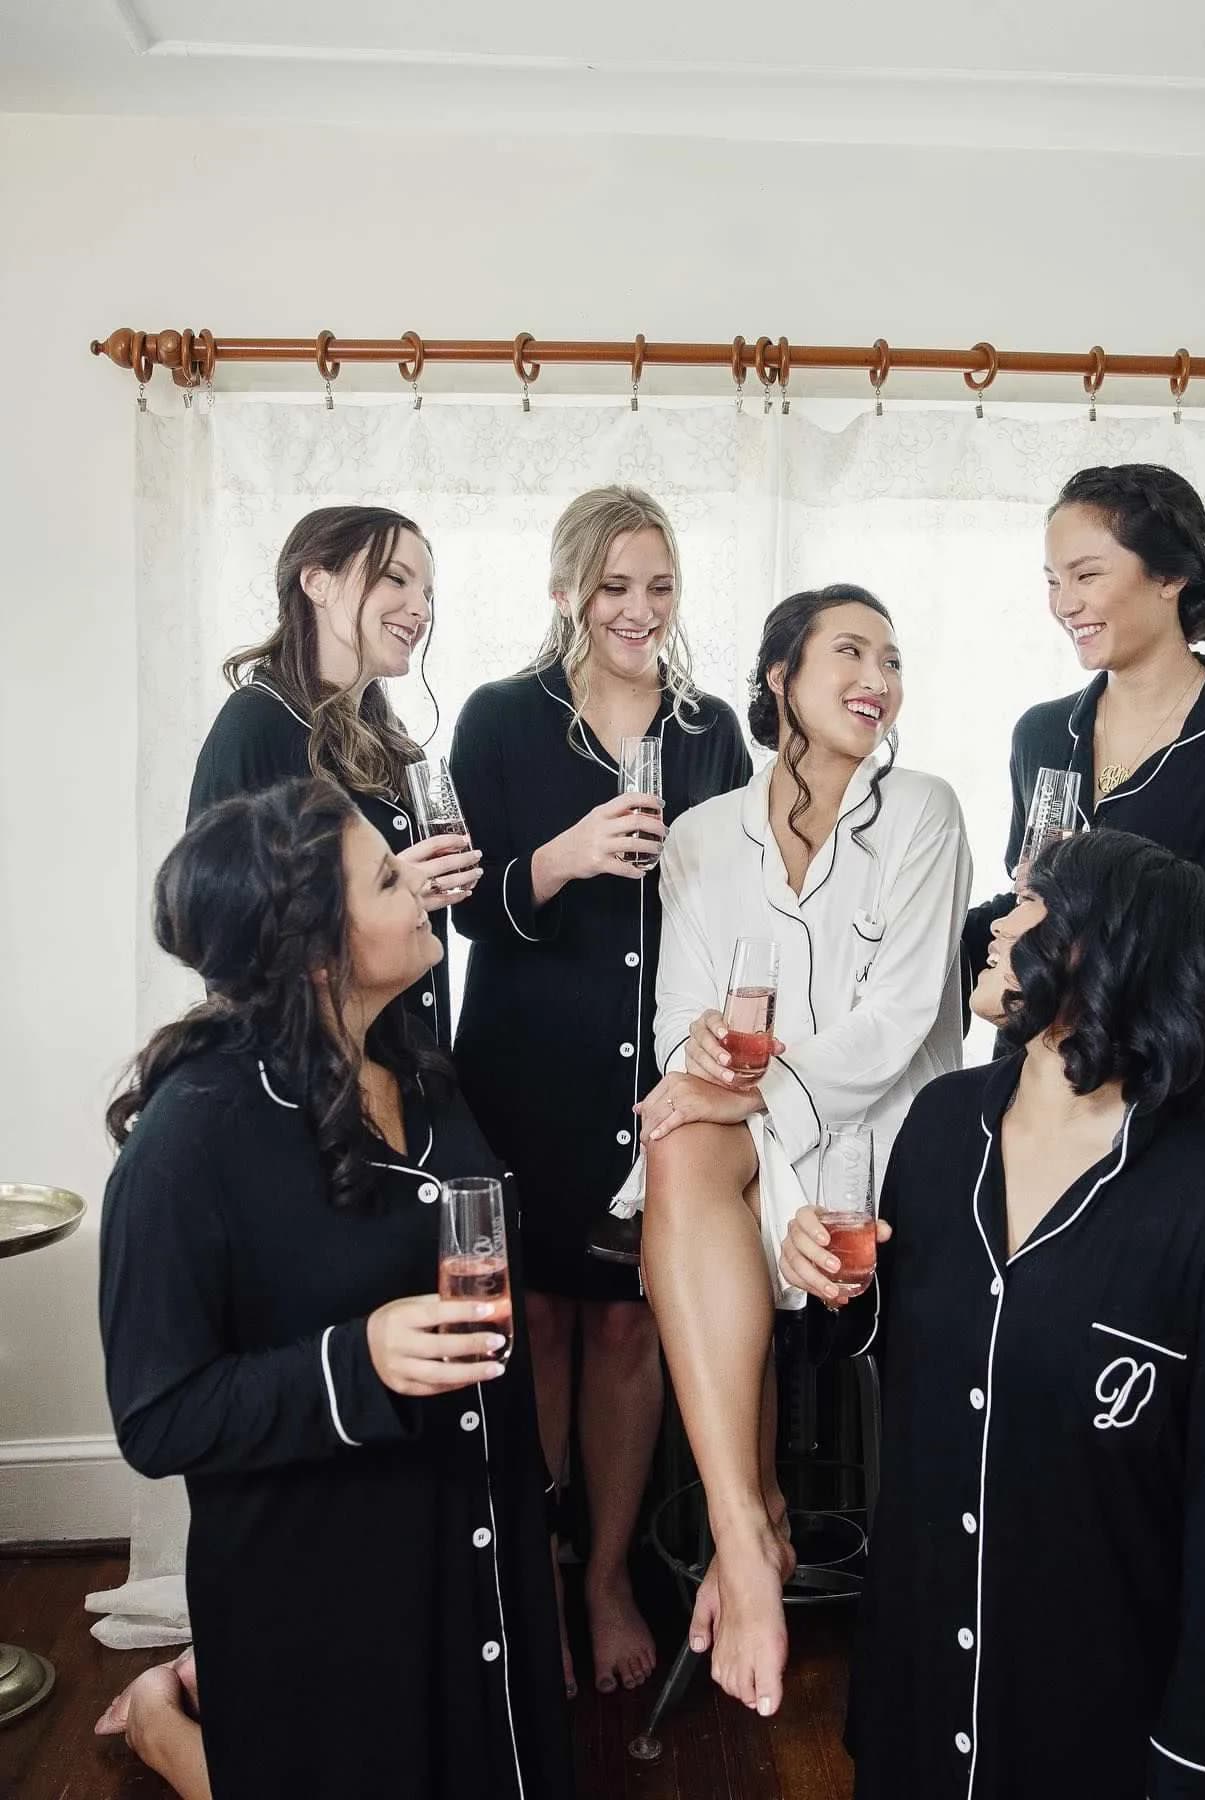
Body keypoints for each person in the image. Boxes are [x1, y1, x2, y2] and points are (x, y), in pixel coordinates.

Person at [783, 829, 1205, 1799]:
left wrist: (1200, 1761)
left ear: (1114, 949)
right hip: (914, 1690)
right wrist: (825, 1283)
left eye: (1029, 906)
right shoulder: (939, 1127)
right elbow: (878, 1358)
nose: (995, 924)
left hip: (1090, 1720)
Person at [98, 779, 572, 1800]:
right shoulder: (190, 1143)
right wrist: (354, 1363)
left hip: (476, 1549)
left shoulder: (424, 1074)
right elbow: (157, 1416)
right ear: (317, 945)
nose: (421, 890)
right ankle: (160, 1720)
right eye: (390, 878)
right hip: (321, 1595)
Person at [635, 584, 972, 1719]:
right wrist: (720, 1084)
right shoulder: (698, 838)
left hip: (884, 1132)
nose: (878, 674)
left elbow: (894, 1025)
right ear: (781, 677)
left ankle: (757, 1532)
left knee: (694, 1143)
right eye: (849, 650)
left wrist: (744, 1091)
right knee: (682, 1156)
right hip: (745, 1128)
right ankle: (748, 1530)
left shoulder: (924, 813)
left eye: (892, 655)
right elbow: (680, 1016)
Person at [448, 486, 751, 1695]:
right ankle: (535, 1571)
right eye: (616, 586)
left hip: (654, 1085)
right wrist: (564, 858)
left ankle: (608, 1575)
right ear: (567, 588)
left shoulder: (713, 725)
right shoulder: (500, 719)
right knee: (537, 1329)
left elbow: (737, 897)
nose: (639, 610)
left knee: (630, 1324)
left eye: (660, 587)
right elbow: (463, 904)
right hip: (523, 1070)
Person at [964, 463, 1205, 1118]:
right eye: (1052, 580)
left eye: (1087, 574)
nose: (1063, 603)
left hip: (1168, 1103)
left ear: (1169, 575)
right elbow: (1027, 910)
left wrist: (1117, 910)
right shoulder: (1042, 734)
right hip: (1032, 1090)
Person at [189, 504, 479, 1043]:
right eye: (397, 579)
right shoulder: (255, 724)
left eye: (429, 595)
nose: (420, 610)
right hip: (312, 1068)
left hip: (409, 1059)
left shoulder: (392, 743)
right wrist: (386, 890)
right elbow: (220, 926)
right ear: (318, 581)